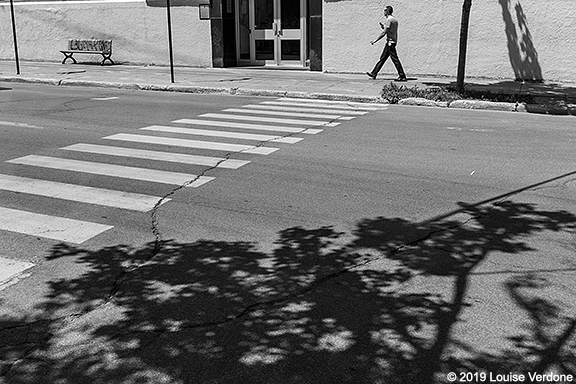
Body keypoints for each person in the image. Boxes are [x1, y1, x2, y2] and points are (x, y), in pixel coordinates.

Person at [366, 5, 407, 81]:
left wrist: (375, 40)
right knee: (383, 58)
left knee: (395, 59)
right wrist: (384, 27)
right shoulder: (394, 20)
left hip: (390, 43)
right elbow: (390, 30)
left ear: (387, 11)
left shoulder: (389, 19)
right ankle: (374, 73)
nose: (383, 11)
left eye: (385, 10)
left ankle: (402, 76)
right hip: (391, 42)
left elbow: (384, 33)